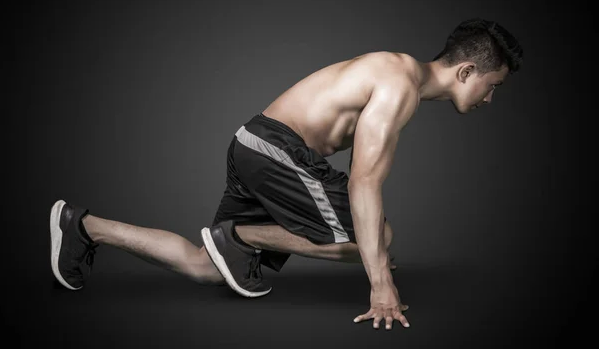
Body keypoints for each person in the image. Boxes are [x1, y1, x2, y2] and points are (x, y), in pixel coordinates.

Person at [50, 17, 523, 330]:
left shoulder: (401, 77)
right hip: (275, 147)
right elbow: (363, 181)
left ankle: (83, 226)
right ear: (465, 71)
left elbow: (355, 177)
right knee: (375, 239)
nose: (489, 99)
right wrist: (380, 281)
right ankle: (245, 237)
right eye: (492, 86)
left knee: (207, 268)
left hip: (260, 148)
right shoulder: (399, 83)